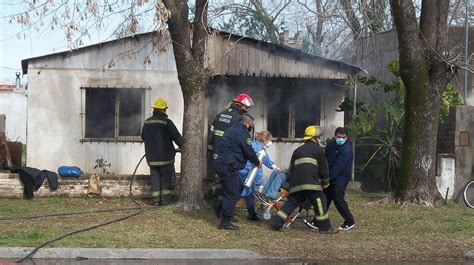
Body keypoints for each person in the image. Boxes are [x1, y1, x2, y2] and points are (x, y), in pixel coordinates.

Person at [270, 125, 338, 234]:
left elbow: (291, 169)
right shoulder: (319, 150)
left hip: (296, 184)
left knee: (291, 202)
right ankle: (325, 228)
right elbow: (323, 168)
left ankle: (276, 223)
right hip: (312, 184)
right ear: (314, 138)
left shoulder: (297, 151)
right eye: (318, 137)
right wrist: (325, 181)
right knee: (320, 202)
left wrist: (286, 187)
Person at [213, 114, 261, 230]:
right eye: (251, 125)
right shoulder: (242, 133)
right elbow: (248, 150)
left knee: (238, 187)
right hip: (229, 166)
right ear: (246, 123)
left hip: (222, 164)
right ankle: (225, 222)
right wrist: (257, 161)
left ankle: (220, 206)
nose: (251, 127)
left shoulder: (231, 129)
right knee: (233, 193)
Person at [204, 93, 254, 199]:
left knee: (218, 178)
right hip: (228, 157)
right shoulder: (239, 119)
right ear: (240, 104)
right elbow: (242, 140)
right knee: (228, 183)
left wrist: (209, 151)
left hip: (216, 155)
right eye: (245, 107)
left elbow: (211, 135)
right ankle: (222, 204)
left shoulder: (220, 115)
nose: (246, 109)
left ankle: (216, 200)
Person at [141, 98, 183, 206]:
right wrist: (183, 147)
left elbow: (143, 137)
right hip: (166, 157)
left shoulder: (147, 122)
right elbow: (177, 137)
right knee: (166, 178)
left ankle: (155, 200)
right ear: (164, 110)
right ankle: (165, 200)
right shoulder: (167, 122)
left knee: (155, 178)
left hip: (152, 158)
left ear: (154, 109)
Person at [239, 130, 280, 221]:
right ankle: (221, 206)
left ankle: (252, 214)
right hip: (248, 173)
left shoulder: (254, 144)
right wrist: (260, 183)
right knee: (242, 192)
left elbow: (265, 159)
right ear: (265, 140)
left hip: (242, 170)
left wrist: (272, 165)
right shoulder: (260, 149)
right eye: (269, 140)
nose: (270, 142)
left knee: (248, 192)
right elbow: (259, 167)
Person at [324, 127, 355, 231]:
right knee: (325, 198)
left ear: (347, 137)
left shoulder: (347, 150)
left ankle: (350, 221)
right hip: (330, 178)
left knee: (338, 200)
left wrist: (327, 178)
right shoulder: (331, 145)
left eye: (343, 137)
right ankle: (318, 220)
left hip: (340, 180)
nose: (341, 139)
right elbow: (326, 160)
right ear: (335, 136)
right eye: (339, 137)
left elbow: (339, 167)